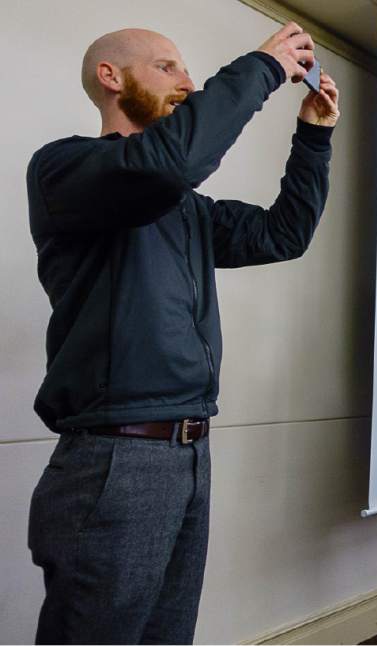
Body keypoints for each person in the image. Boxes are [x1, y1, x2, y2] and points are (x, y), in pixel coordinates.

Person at [26, 23, 340, 643]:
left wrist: (313, 138)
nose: (188, 83)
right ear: (111, 77)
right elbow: (169, 163)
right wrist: (262, 67)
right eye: (168, 67)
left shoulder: (186, 208)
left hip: (189, 451)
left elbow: (285, 233)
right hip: (116, 459)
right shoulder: (64, 170)